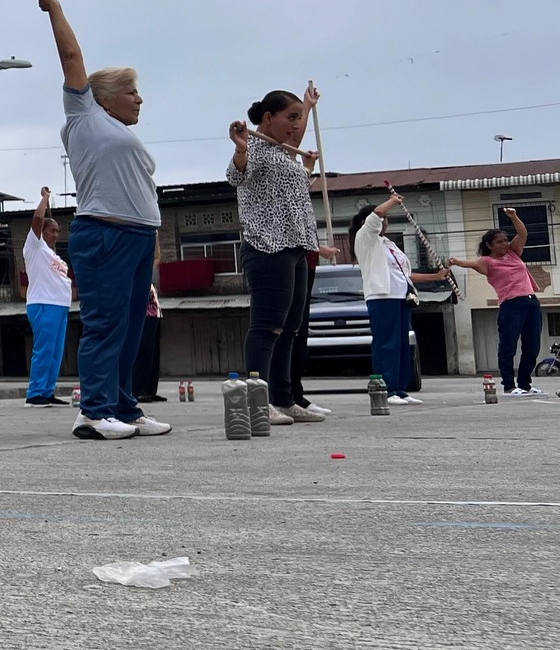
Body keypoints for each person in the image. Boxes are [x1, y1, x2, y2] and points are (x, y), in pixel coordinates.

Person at [38, 0, 170, 440]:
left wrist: (153, 240)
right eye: (131, 91)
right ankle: (93, 412)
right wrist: (54, 8)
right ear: (106, 96)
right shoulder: (84, 115)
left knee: (132, 329)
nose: (140, 99)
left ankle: (124, 407)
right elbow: (71, 59)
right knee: (106, 325)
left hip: (138, 236)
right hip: (105, 234)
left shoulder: (122, 133)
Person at [226, 87, 335, 426]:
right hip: (267, 247)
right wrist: (240, 148)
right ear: (268, 118)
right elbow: (235, 175)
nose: (296, 125)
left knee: (290, 328)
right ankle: (256, 401)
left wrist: (306, 165)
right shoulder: (256, 149)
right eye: (291, 117)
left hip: (296, 248)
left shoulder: (284, 154)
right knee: (267, 326)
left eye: (299, 119)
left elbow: (290, 191)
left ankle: (284, 399)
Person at [352, 193, 449, 405]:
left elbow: (405, 274)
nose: (385, 221)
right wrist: (393, 201)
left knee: (402, 344)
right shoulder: (365, 237)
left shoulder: (388, 244)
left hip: (400, 297)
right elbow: (377, 214)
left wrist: (436, 276)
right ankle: (386, 389)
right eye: (383, 219)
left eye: (387, 219)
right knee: (387, 343)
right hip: (381, 297)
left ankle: (400, 388)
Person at [448, 208, 542, 395]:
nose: (505, 244)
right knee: (508, 346)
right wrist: (455, 261)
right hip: (511, 305)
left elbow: (523, 234)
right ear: (489, 245)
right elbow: (471, 263)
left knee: (532, 347)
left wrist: (514, 217)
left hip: (532, 302)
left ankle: (525, 384)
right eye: (499, 242)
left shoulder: (514, 253)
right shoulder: (486, 262)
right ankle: (509, 385)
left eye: (506, 240)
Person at [21, 186, 73, 407]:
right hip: (43, 304)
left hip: (60, 306)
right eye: (52, 230)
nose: (55, 234)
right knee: (44, 350)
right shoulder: (34, 246)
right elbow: (38, 219)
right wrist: (45, 198)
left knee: (55, 352)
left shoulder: (53, 255)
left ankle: (47, 391)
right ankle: (35, 393)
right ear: (42, 232)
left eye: (58, 231)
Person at [135, 285, 164, 403]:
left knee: (154, 355)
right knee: (144, 353)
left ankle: (150, 390)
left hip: (155, 313)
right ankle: (139, 390)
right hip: (145, 315)